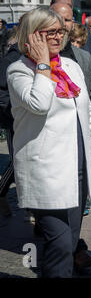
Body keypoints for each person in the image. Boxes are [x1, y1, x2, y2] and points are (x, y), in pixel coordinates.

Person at [6, 7, 91, 278]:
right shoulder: (19, 71)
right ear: (32, 36)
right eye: (49, 32)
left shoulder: (71, 66)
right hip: (45, 172)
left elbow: (86, 112)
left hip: (76, 169)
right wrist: (42, 64)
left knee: (70, 241)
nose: (57, 37)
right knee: (61, 242)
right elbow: (39, 104)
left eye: (59, 31)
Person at [50, 2, 91, 271]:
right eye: (58, 21)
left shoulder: (82, 57)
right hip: (52, 149)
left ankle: (72, 246)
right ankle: (63, 250)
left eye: (67, 21)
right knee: (56, 212)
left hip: (85, 141)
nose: (63, 27)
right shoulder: (26, 62)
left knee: (80, 199)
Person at [51, 0, 91, 94]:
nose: (64, 9)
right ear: (51, 7)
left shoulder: (83, 31)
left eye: (68, 5)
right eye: (61, 4)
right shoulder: (42, 35)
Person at [0, 27, 21, 218]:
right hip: (15, 120)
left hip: (20, 118)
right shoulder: (10, 61)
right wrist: (13, 114)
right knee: (17, 162)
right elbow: (2, 95)